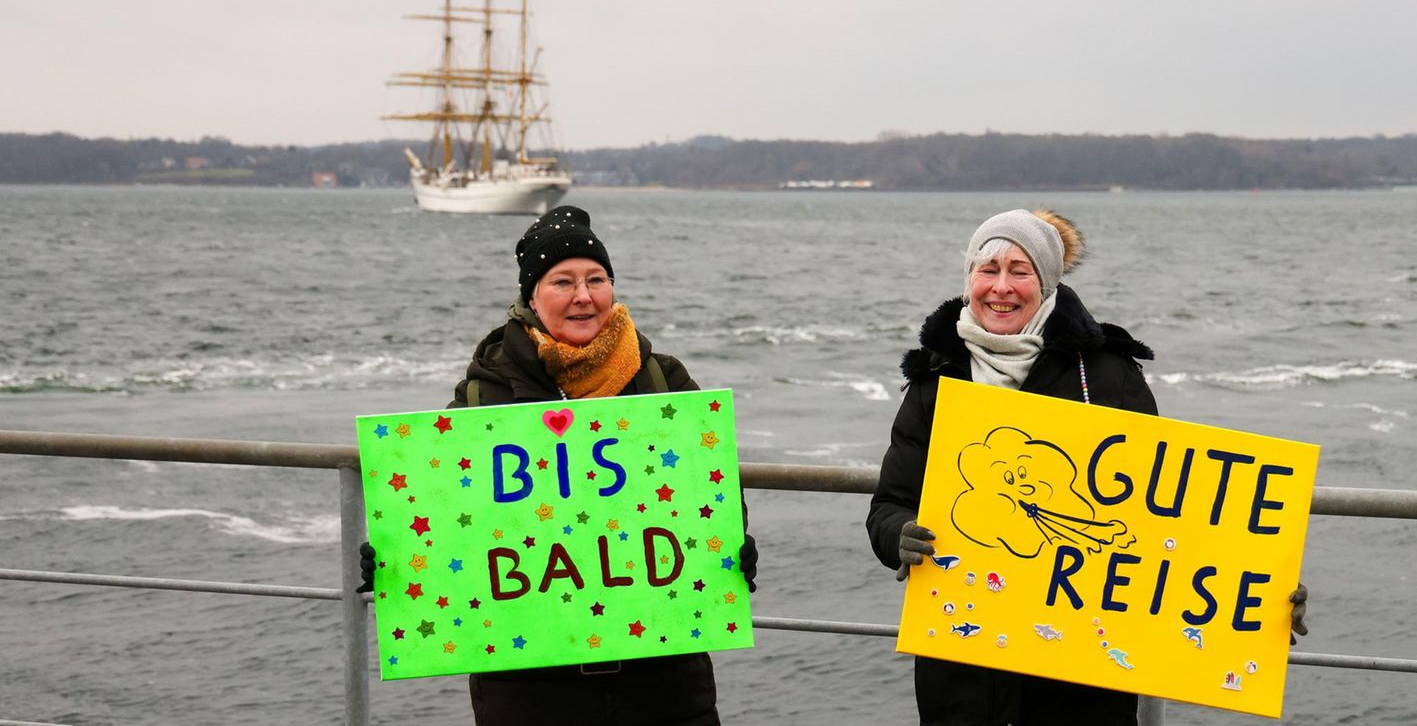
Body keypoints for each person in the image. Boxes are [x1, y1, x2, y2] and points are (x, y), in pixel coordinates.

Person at [864, 209, 1306, 726]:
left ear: (1047, 282)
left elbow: (1169, 515)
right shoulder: (935, 379)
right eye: (988, 270)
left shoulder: (1108, 374)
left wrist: (1263, 591)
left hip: (1082, 679)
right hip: (964, 677)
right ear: (969, 280)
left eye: (1019, 271)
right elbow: (889, 504)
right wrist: (900, 535)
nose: (1001, 287)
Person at [363, 206, 757, 726]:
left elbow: (712, 486)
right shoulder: (483, 395)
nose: (583, 295)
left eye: (597, 279)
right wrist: (397, 555)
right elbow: (444, 510)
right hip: (528, 689)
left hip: (664, 682)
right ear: (532, 296)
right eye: (563, 281)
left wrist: (730, 542)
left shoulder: (662, 380)